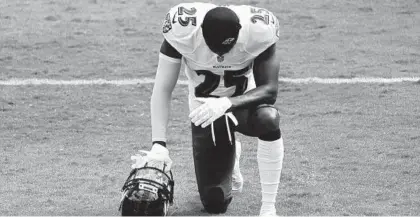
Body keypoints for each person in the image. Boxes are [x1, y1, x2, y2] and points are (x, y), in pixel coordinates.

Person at [136, 2, 284, 216]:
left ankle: (269, 207)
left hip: (243, 107)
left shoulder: (259, 30)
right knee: (215, 204)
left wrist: (227, 103)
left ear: (240, 33)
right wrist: (158, 144)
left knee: (269, 118)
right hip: (204, 115)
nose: (220, 56)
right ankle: (231, 156)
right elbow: (162, 89)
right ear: (202, 31)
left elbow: (270, 90)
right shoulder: (182, 28)